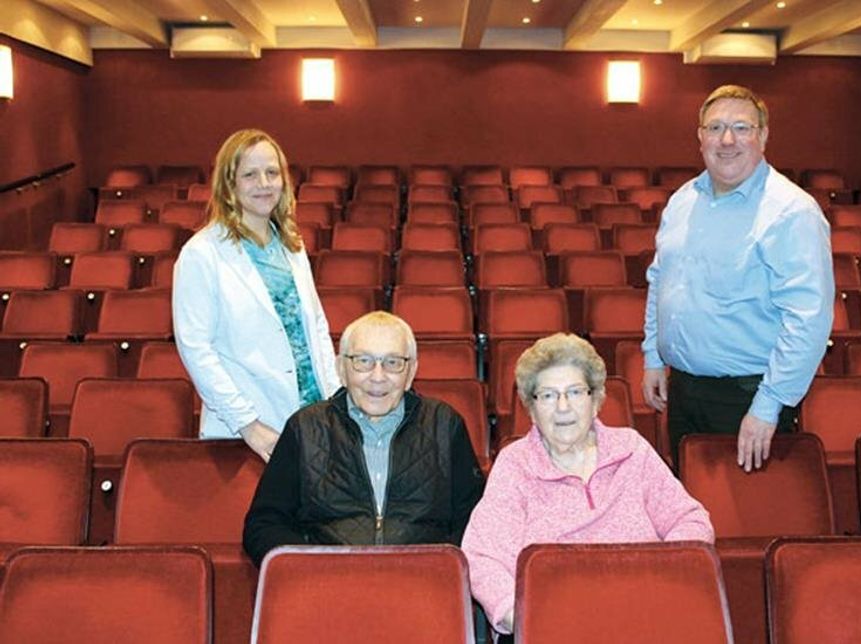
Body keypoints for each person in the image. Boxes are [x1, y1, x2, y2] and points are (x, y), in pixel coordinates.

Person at [461, 334, 713, 638]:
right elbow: (483, 556)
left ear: (595, 401)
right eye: (548, 396)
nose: (563, 407)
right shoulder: (516, 465)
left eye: (575, 392)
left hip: (643, 616)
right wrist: (521, 617)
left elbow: (691, 520)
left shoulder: (632, 449)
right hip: (555, 626)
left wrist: (665, 577)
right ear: (531, 408)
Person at [642, 84, 834, 472]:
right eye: (715, 128)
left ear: (763, 136)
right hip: (684, 392)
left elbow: (807, 320)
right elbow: (661, 280)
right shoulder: (682, 200)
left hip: (748, 398)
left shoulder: (792, 212)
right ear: (700, 137)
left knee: (744, 522)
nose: (727, 140)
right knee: (690, 512)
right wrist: (652, 355)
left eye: (741, 128)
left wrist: (768, 405)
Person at [243, 311, 485, 566]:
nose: (378, 377)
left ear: (411, 372)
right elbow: (264, 525)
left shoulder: (445, 425)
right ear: (341, 369)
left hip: (420, 585)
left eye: (393, 363)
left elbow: (475, 522)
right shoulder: (304, 428)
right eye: (363, 361)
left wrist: (437, 570)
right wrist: (312, 568)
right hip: (327, 587)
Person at [173, 129, 340, 462]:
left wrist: (335, 398)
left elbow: (315, 327)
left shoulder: (291, 243)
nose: (264, 183)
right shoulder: (202, 254)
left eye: (272, 172)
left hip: (313, 417)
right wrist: (249, 424)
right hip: (251, 430)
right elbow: (196, 349)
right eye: (249, 174)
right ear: (228, 184)